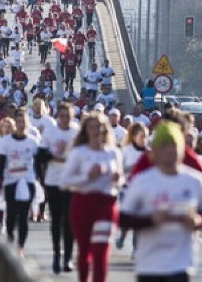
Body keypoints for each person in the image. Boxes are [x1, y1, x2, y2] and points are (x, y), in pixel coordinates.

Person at [119, 121, 202, 282]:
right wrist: (151, 220)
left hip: (182, 264)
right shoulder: (142, 181)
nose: (170, 150)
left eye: (174, 145)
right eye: (164, 146)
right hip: (149, 265)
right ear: (154, 151)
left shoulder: (195, 181)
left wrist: (199, 221)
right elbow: (123, 218)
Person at [60, 110, 122, 282]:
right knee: (85, 250)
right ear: (86, 130)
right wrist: (87, 177)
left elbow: (121, 179)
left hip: (106, 204)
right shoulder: (79, 153)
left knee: (101, 252)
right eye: (93, 127)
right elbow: (65, 182)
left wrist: (118, 178)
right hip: (83, 203)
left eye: (100, 127)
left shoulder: (113, 153)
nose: (97, 131)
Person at [38, 102, 80, 274]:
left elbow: (83, 153)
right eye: (62, 116)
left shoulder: (77, 132)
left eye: (68, 116)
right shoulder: (50, 132)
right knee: (56, 220)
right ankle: (56, 253)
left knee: (69, 221)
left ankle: (68, 257)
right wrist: (54, 156)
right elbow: (40, 155)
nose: (64, 119)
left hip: (71, 182)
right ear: (57, 116)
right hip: (53, 180)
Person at [0, 107, 40, 256]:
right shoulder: (6, 141)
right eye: (18, 121)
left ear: (27, 124)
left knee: (23, 215)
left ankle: (20, 246)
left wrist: (39, 180)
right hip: (10, 182)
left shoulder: (33, 142)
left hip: (27, 182)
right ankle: (10, 237)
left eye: (23, 122)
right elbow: (2, 164)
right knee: (12, 214)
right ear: (15, 124)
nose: (20, 124)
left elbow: (39, 163)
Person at [117, 122, 148, 250]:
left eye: (145, 137)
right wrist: (132, 168)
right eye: (141, 136)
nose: (144, 140)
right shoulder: (126, 150)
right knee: (129, 218)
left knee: (139, 220)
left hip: (144, 190)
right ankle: (123, 236)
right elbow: (119, 169)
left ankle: (136, 248)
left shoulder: (149, 152)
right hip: (127, 189)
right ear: (134, 136)